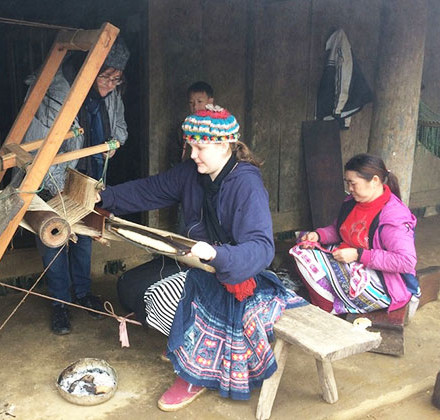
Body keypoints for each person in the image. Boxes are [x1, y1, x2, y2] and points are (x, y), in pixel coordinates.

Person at [98, 105, 305, 410]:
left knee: (162, 299)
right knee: (129, 286)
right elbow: (149, 190)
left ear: (224, 146)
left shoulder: (246, 185)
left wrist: (218, 255)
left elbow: (261, 247)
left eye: (199, 147)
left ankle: (197, 372)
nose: (192, 154)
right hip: (197, 263)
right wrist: (103, 197)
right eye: (190, 146)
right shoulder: (191, 173)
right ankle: (183, 338)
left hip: (235, 275)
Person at [22, 37, 130, 335]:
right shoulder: (56, 91)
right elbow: (33, 142)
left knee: (83, 238)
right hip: (51, 179)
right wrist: (45, 183)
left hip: (87, 179)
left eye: (117, 78)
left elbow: (120, 130)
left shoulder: (111, 95)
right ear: (88, 68)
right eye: (105, 76)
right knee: (54, 241)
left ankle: (82, 295)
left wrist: (113, 145)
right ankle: (60, 303)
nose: (110, 84)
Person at [290, 153, 420, 316]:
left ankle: (328, 309)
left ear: (374, 181)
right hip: (355, 258)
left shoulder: (393, 216)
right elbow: (340, 230)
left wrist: (359, 255)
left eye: (353, 183)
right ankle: (328, 301)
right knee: (303, 247)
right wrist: (318, 235)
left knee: (307, 260)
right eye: (348, 183)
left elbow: (406, 262)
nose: (349, 189)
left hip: (384, 283)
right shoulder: (352, 202)